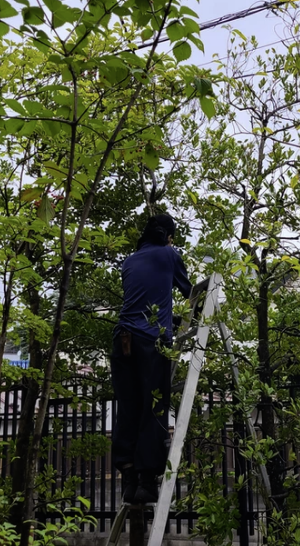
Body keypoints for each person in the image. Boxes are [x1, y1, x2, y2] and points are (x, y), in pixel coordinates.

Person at [112, 213, 192, 504]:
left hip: (122, 341)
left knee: (129, 407)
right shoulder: (169, 254)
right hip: (150, 341)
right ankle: (147, 482)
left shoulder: (129, 261)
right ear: (168, 236)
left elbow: (142, 296)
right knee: (154, 406)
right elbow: (189, 292)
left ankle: (129, 479)